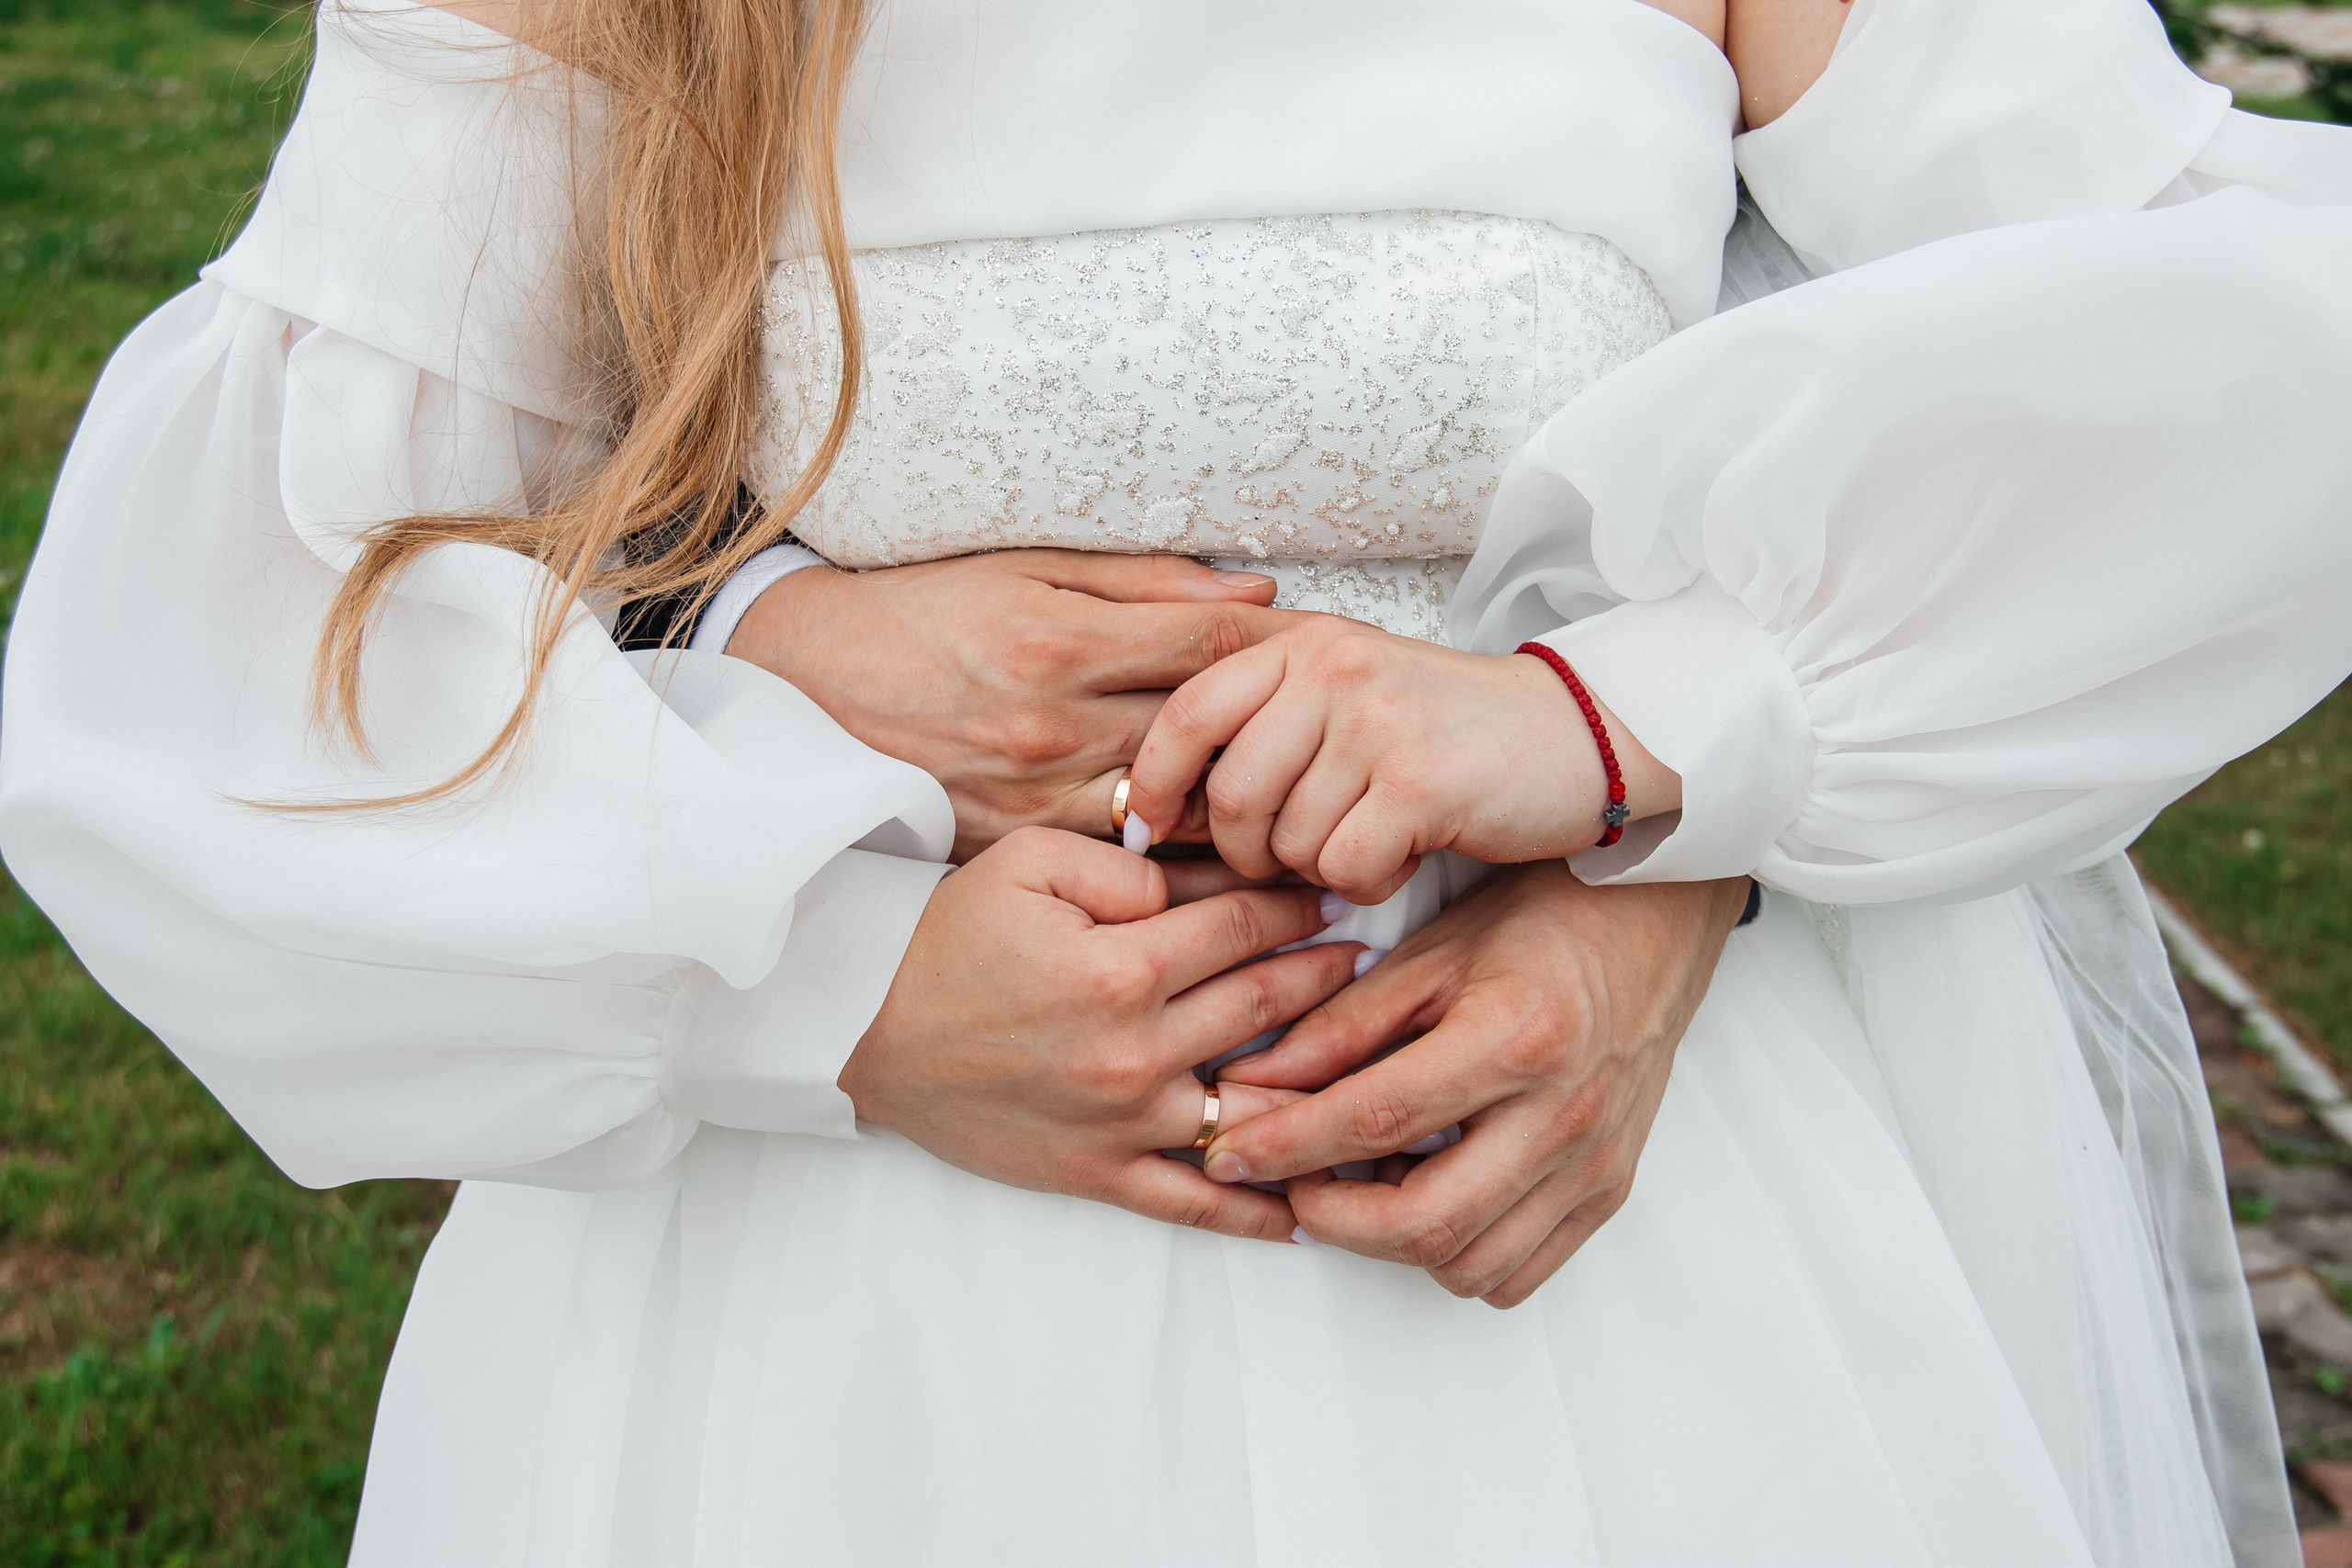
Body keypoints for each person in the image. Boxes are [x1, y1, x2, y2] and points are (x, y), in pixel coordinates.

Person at [3, 0, 2349, 1562]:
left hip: (1582, 1244)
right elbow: (253, 605)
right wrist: (835, 960)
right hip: (849, 1304)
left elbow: (2233, 361)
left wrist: (1635, 756)